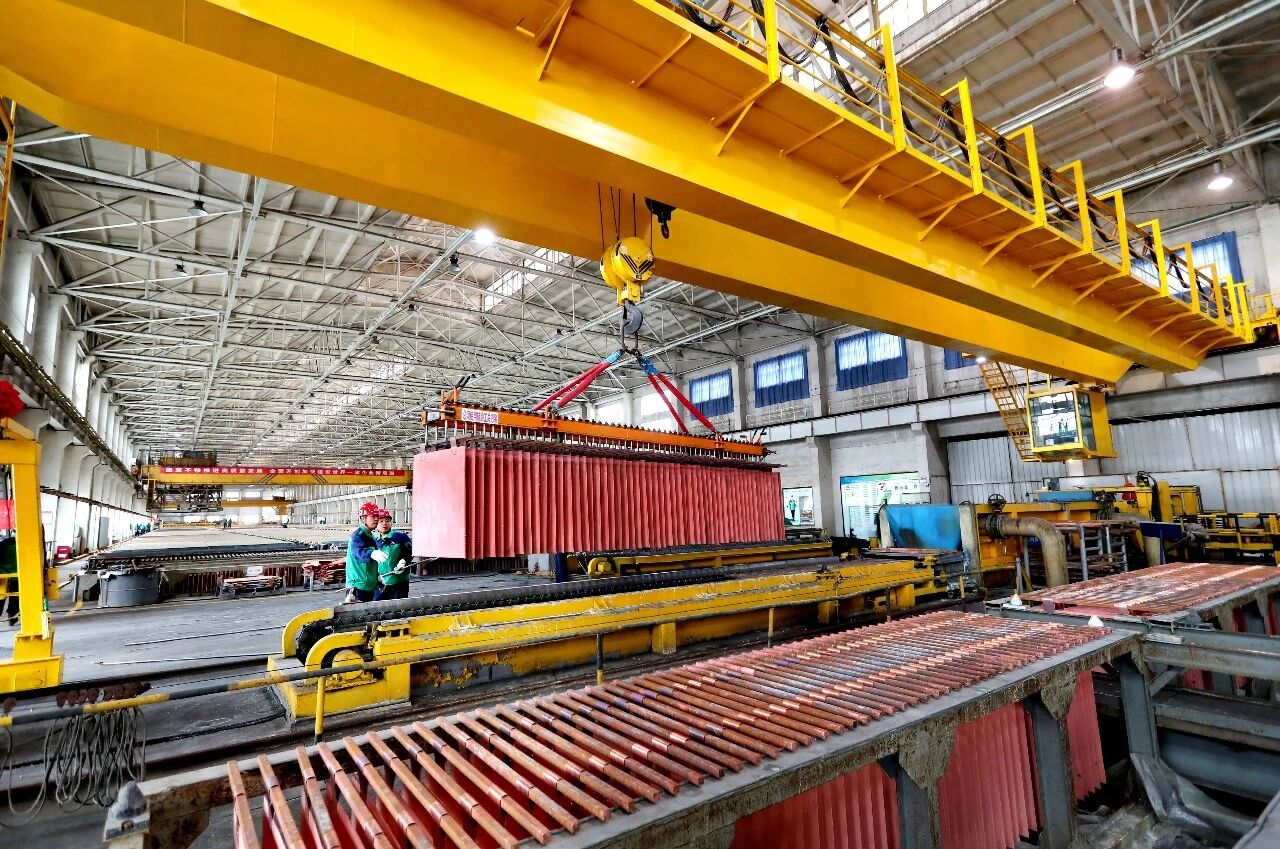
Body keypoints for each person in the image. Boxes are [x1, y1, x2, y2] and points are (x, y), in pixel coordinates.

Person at [344, 502, 380, 603]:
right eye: (373, 516)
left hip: (368, 586)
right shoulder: (357, 536)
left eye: (377, 516)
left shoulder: (371, 536)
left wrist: (377, 577)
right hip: (358, 587)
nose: (376, 519)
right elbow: (359, 553)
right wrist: (372, 553)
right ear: (363, 518)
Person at [373, 510, 412, 601]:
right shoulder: (375, 540)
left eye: (387, 520)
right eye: (381, 521)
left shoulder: (400, 536)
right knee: (378, 606)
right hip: (380, 582)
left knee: (398, 606)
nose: (384, 523)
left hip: (399, 582)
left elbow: (410, 552)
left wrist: (403, 561)